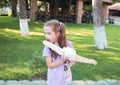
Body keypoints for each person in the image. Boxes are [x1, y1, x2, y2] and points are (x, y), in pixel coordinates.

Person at [43, 19, 75, 85]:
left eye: (49, 33)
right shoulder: (47, 47)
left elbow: (73, 62)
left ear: (58, 33)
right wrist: (61, 61)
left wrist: (70, 61)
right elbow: (50, 65)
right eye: (45, 33)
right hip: (54, 79)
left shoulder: (68, 44)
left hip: (65, 78)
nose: (46, 36)